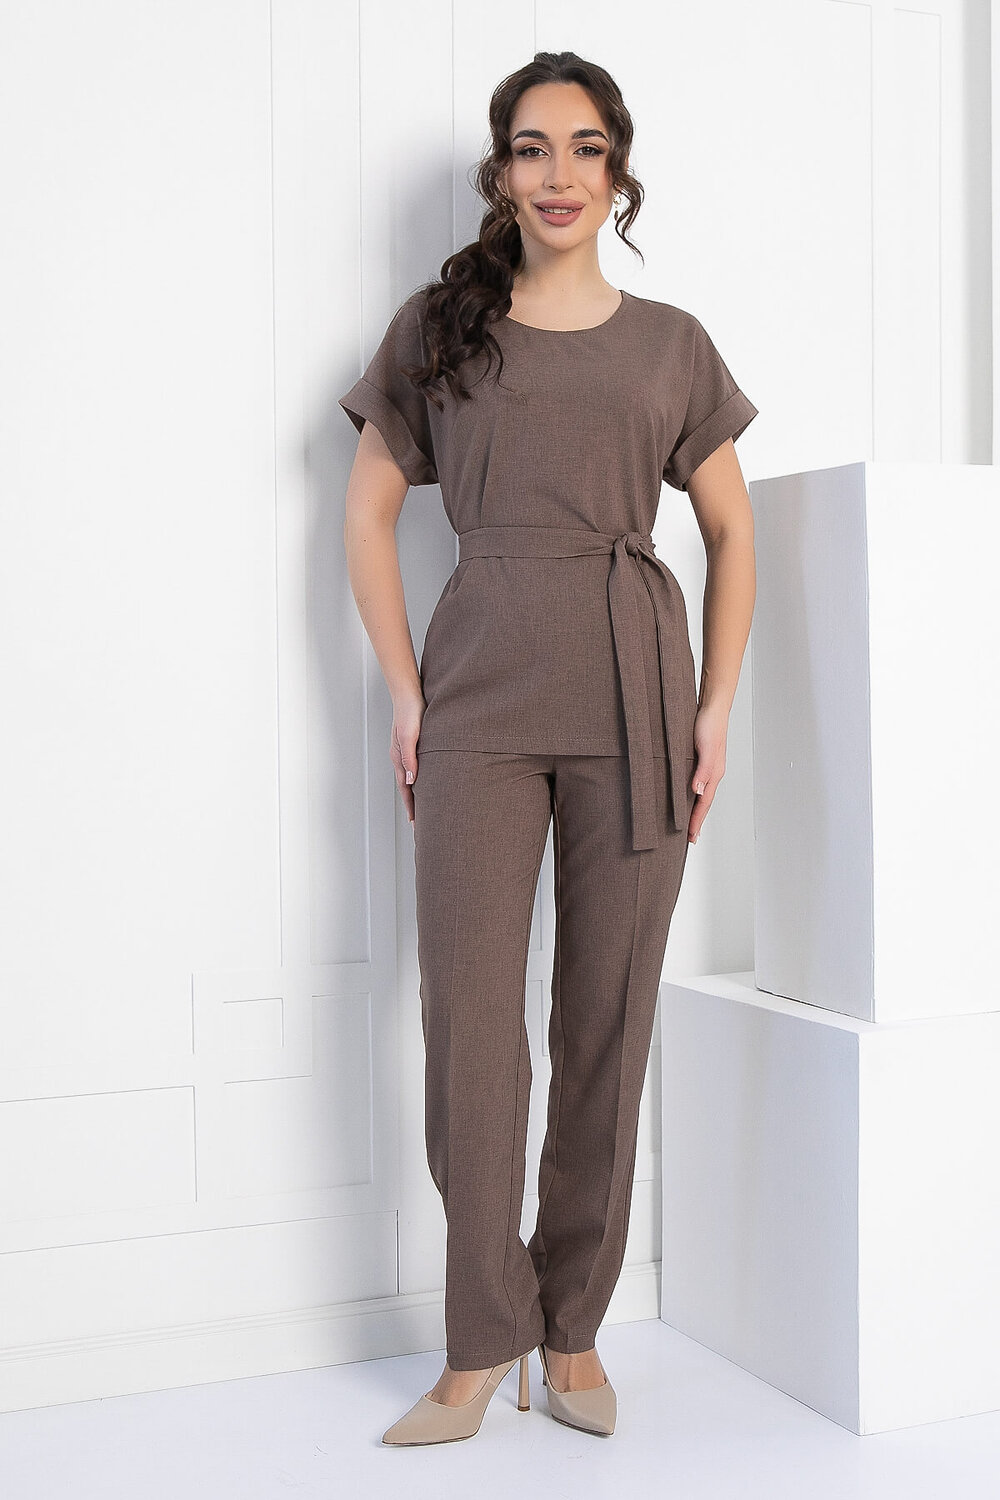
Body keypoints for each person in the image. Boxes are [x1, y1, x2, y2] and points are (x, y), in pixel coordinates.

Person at [339, 49, 758, 1446]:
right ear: (501, 171)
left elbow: (733, 531)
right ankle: (481, 1339)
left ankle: (571, 1331)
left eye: (585, 148)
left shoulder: (673, 343)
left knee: (607, 1022)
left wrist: (714, 707)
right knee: (470, 1021)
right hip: (478, 699)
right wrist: (408, 692)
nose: (559, 173)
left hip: (638, 695)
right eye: (533, 147)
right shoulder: (440, 327)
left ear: (618, 171)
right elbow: (366, 513)